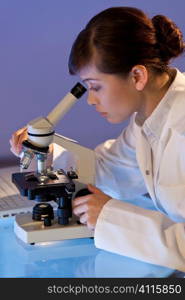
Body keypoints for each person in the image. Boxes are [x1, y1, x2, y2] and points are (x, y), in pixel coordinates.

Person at [10, 7, 185, 272]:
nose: (91, 100)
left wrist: (112, 219)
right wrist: (46, 151)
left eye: (95, 87)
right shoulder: (148, 119)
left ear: (137, 76)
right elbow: (109, 171)